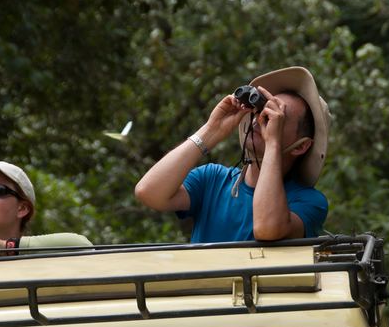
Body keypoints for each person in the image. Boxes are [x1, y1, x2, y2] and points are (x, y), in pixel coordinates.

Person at [135, 66, 331, 243]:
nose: (261, 119)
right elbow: (149, 192)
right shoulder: (212, 180)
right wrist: (211, 131)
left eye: (277, 116)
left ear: (300, 146)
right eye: (262, 109)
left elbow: (267, 229)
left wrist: (272, 142)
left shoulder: (308, 201)